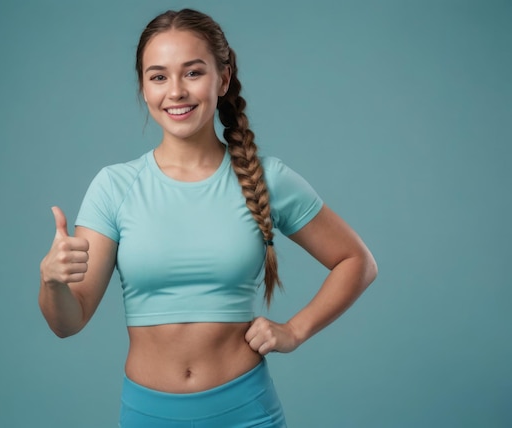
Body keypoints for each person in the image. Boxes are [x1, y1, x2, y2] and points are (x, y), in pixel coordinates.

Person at [39, 8, 377, 428]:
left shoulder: (266, 178)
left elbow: (356, 261)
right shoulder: (114, 186)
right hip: (149, 415)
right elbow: (68, 322)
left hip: (247, 411)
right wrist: (52, 282)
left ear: (224, 77)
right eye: (158, 76)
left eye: (193, 73)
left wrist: (295, 330)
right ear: (143, 88)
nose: (176, 91)